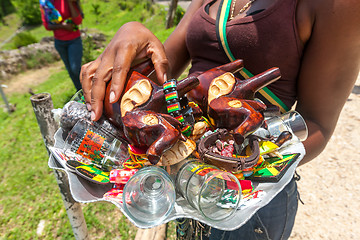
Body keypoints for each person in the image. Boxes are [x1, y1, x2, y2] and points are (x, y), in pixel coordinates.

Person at [80, 0, 360, 239]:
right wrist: (133, 33)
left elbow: (317, 124)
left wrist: (235, 170)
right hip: (184, 179)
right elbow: (163, 78)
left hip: (245, 202)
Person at [40, 0, 83, 91]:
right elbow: (47, 26)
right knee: (71, 71)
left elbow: (78, 21)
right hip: (59, 42)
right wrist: (64, 26)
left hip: (74, 40)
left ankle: (90, 89)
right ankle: (81, 93)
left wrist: (70, 3)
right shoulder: (44, 3)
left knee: (75, 69)